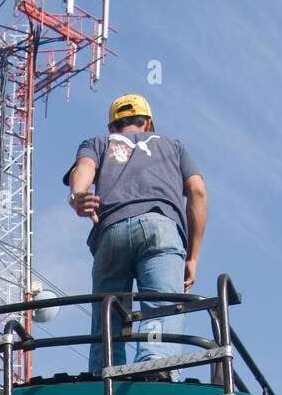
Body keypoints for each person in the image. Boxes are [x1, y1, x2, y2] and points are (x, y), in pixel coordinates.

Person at [63, 93, 206, 374]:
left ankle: (104, 376)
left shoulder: (97, 143)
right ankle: (155, 369)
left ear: (111, 127)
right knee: (162, 307)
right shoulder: (173, 146)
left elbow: (84, 169)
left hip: (111, 232)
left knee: (108, 317)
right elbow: (198, 191)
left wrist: (77, 195)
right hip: (160, 228)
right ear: (149, 123)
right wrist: (193, 257)